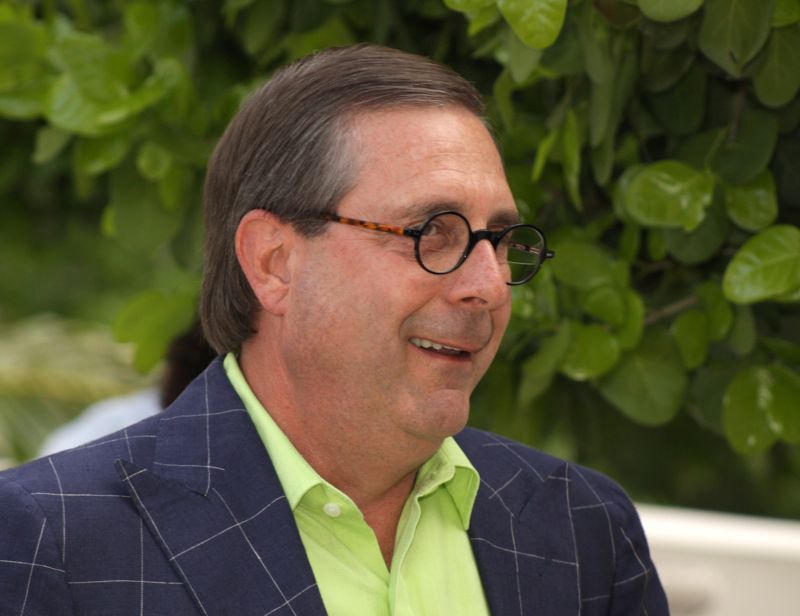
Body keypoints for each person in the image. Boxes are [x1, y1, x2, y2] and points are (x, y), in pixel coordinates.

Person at [0, 45, 668, 615]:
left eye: (498, 238)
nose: (489, 286)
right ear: (274, 263)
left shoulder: (581, 528)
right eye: (432, 232)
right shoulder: (53, 540)